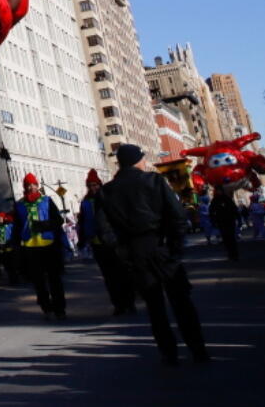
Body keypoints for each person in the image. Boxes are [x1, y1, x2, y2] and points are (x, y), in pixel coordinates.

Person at [97, 143, 209, 366]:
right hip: (161, 245)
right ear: (137, 160)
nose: (144, 162)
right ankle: (197, 349)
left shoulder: (106, 191)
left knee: (154, 306)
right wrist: (176, 248)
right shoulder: (154, 181)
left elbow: (104, 229)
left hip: (135, 251)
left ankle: (168, 352)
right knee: (181, 301)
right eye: (142, 158)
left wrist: (122, 252)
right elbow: (177, 215)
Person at [78, 169, 135, 315]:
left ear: (99, 184)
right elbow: (82, 221)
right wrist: (82, 239)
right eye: (90, 185)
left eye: (95, 185)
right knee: (109, 277)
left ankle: (129, 301)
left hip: (113, 241)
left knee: (123, 273)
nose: (93, 188)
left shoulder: (109, 197)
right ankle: (118, 304)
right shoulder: (85, 203)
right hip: (97, 243)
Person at [13, 174, 67, 320]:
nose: (31, 187)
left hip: (49, 245)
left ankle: (60, 309)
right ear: (25, 187)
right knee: (38, 281)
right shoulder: (19, 205)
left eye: (33, 184)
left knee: (54, 279)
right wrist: (16, 247)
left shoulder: (47, 201)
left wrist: (44, 225)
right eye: (28, 185)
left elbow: (58, 220)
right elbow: (16, 227)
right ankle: (46, 307)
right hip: (30, 247)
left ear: (37, 186)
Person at [210, 188, 240, 261]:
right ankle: (230, 253)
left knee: (231, 237)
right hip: (221, 221)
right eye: (217, 191)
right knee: (225, 238)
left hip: (230, 220)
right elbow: (211, 211)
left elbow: (234, 208)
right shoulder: (215, 200)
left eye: (219, 190)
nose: (218, 192)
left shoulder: (227, 199)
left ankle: (234, 253)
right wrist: (213, 221)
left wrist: (238, 218)